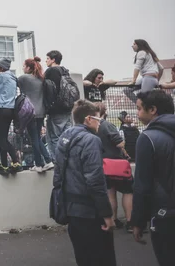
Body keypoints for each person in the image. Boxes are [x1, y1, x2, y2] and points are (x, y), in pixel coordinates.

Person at [52, 99, 116, 266]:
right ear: (89, 119)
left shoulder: (64, 137)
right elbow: (95, 181)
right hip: (90, 212)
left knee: (83, 257)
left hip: (71, 209)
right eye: (98, 119)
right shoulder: (91, 140)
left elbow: (58, 173)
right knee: (103, 258)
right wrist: (107, 215)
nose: (100, 124)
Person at [131, 90, 175, 266]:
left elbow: (142, 185)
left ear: (153, 110)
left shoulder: (147, 138)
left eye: (139, 108)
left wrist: (138, 222)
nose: (137, 113)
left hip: (165, 215)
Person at [96, 102, 133, 231]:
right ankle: (130, 222)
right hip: (117, 163)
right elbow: (119, 143)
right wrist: (123, 143)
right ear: (104, 111)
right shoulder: (106, 125)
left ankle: (113, 220)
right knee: (128, 192)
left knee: (110, 193)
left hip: (103, 164)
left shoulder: (91, 127)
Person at [18, 57, 54, 173]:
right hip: (41, 112)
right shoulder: (41, 79)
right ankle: (46, 161)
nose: (23, 68)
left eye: (24, 66)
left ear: (28, 67)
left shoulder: (24, 78)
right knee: (36, 137)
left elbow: (13, 83)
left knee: (34, 139)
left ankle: (41, 163)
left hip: (30, 112)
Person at [0, 58, 22, 175]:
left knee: (1, 139)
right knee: (3, 137)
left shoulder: (0, 76)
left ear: (1, 67)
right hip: (10, 109)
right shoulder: (13, 77)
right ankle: (4, 165)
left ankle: (15, 161)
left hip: (0, 109)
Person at [44, 50, 75, 161]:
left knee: (54, 137)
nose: (46, 61)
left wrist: (48, 106)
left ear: (53, 59)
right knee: (67, 137)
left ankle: (58, 162)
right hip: (67, 108)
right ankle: (70, 160)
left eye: (47, 58)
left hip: (56, 110)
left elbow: (50, 90)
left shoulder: (51, 71)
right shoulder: (65, 71)